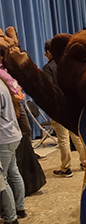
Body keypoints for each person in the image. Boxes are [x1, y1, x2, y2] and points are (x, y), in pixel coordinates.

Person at [0, 55, 46, 196]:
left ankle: (13, 212)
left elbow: (14, 84)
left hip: (11, 121)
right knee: (11, 171)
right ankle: (18, 208)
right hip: (10, 118)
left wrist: (19, 92)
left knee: (6, 175)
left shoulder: (6, 69)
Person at [42, 40, 86, 177]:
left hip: (59, 108)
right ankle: (85, 162)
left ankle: (66, 168)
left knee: (63, 139)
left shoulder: (48, 68)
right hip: (73, 106)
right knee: (77, 136)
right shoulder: (69, 65)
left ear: (49, 52)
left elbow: (48, 89)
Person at [0, 77, 26, 224]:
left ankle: (11, 218)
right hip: (12, 135)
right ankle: (20, 208)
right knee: (13, 171)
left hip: (4, 138)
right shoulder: (2, 81)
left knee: (1, 179)